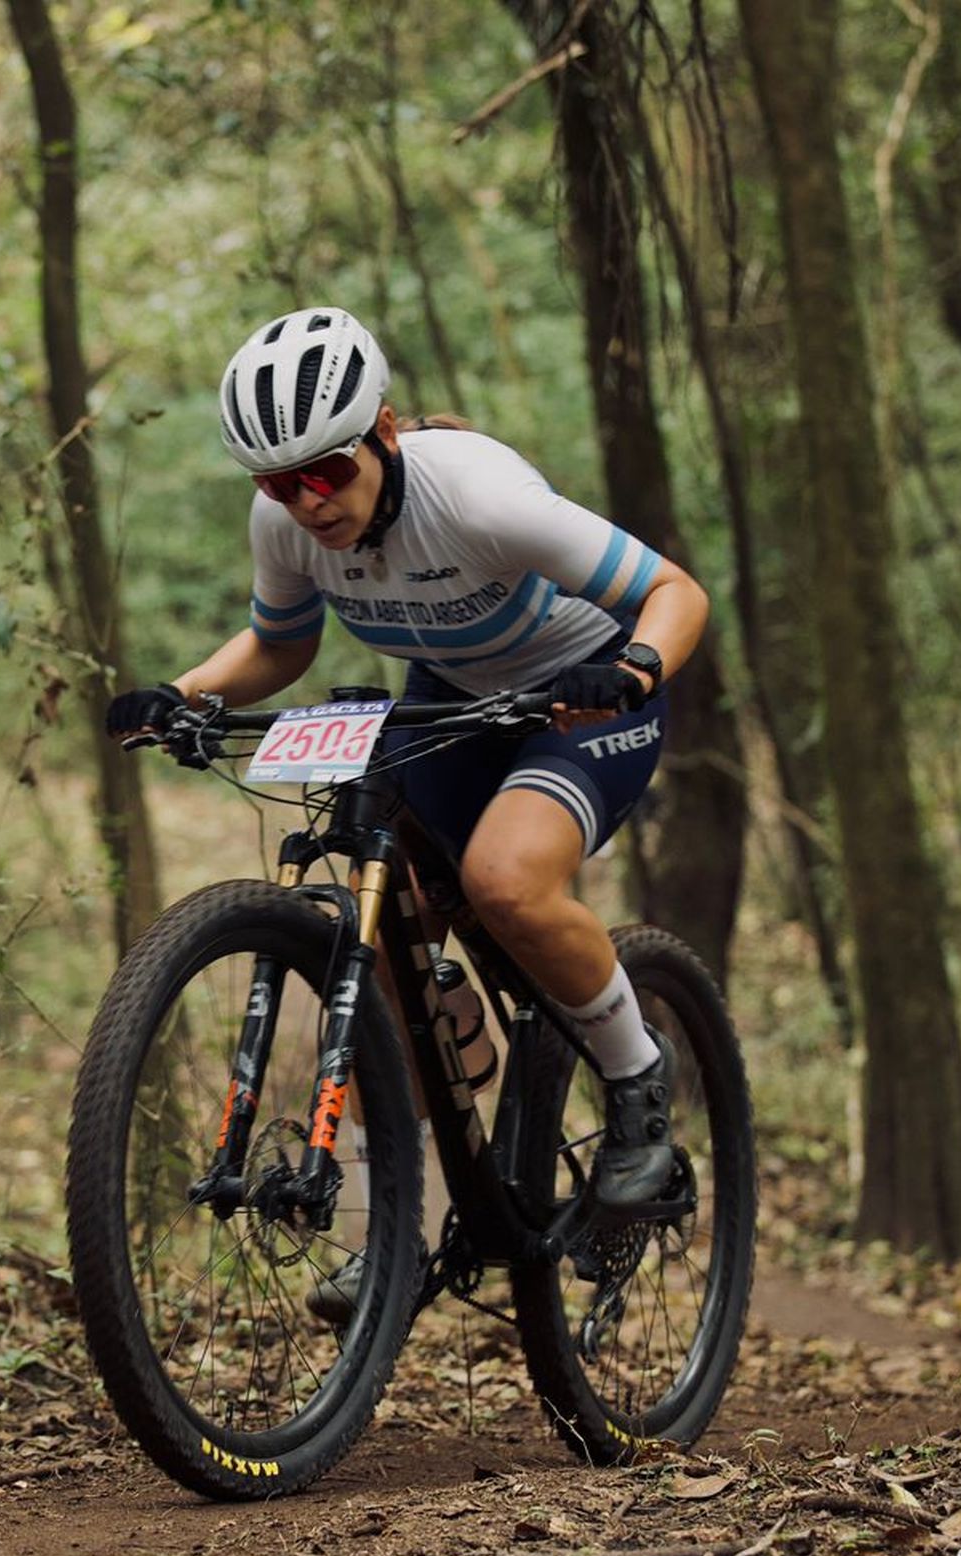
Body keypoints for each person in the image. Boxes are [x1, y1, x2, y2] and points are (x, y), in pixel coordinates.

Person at [107, 305, 710, 1228]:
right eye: (280, 484)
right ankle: (406, 1213)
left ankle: (637, 1079)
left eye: (327, 470)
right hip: (452, 693)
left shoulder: (478, 499)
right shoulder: (287, 528)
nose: (309, 500)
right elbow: (278, 647)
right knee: (381, 918)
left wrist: (632, 669)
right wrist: (184, 694)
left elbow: (677, 591)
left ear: (383, 432)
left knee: (505, 881)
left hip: (579, 695)